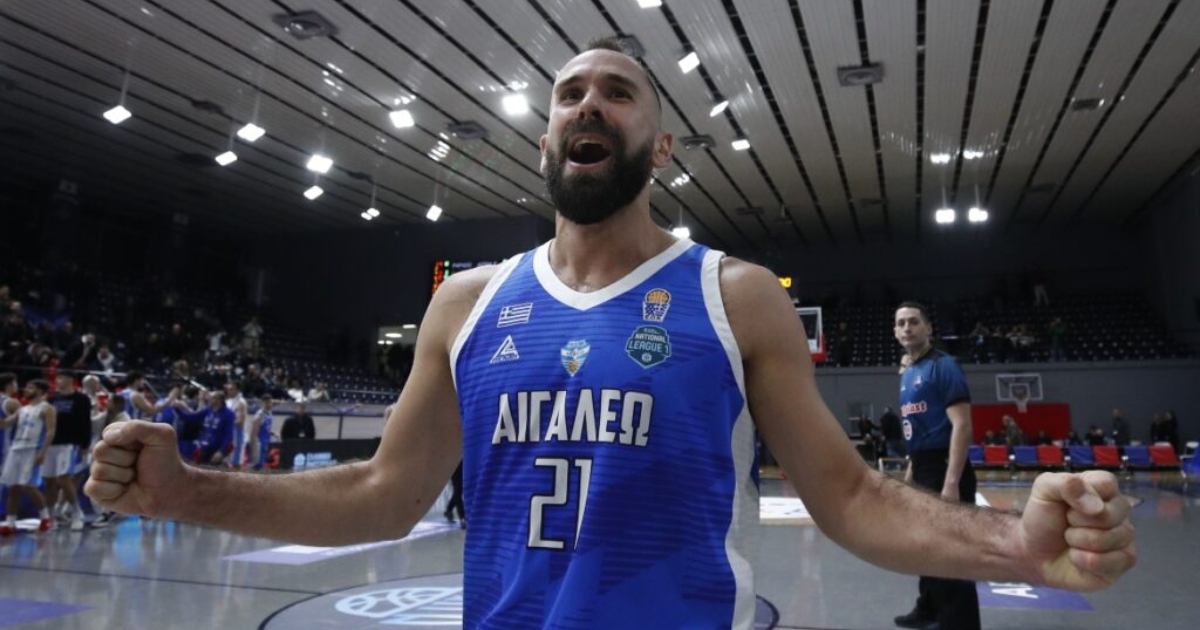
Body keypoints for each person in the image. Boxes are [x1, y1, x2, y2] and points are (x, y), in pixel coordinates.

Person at [87, 37, 1136, 629]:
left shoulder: (734, 294)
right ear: (546, 140)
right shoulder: (468, 304)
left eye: (619, 93)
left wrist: (1016, 545)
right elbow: (381, 494)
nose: (590, 104)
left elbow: (852, 498)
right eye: (569, 94)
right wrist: (186, 492)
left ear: (660, 144)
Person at [893, 302, 981, 630]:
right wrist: (911, 473)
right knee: (924, 544)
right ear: (895, 332)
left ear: (928, 328)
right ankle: (929, 607)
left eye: (913, 321)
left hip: (946, 465)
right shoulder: (907, 373)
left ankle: (959, 624)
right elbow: (915, 430)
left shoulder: (944, 366)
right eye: (901, 323)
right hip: (922, 465)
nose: (907, 327)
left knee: (953, 551)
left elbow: (962, 425)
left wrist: (951, 482)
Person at [1, 380, 56, 535]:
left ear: (40, 391)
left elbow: (50, 431)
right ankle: (10, 523)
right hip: (16, 448)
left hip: (33, 449)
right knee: (12, 486)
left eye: (31, 387)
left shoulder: (47, 408)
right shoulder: (22, 409)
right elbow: (5, 423)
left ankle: (45, 518)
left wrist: (43, 452)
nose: (26, 389)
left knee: (28, 486)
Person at [44, 373, 91, 531]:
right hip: (51, 443)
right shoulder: (52, 399)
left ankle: (77, 512)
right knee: (50, 481)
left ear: (71, 380)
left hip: (69, 443)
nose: (58, 380)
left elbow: (85, 422)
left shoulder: (81, 399)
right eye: (57, 378)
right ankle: (51, 516)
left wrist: (84, 444)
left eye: (61, 377)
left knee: (64, 477)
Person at [246, 395, 275, 471]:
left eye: (270, 402)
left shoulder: (269, 413)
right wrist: (253, 447)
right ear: (263, 403)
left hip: (265, 442)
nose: (270, 404)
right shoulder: (259, 416)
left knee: (261, 466)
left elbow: (266, 428)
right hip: (259, 444)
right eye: (267, 402)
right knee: (255, 466)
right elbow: (253, 432)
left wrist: (272, 433)